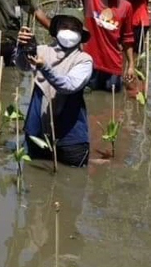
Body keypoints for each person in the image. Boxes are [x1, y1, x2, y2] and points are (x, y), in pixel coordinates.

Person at [16, 9, 94, 167]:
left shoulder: (84, 60)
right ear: (56, 28)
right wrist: (22, 48)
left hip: (70, 138)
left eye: (74, 28)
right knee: (33, 178)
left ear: (80, 33)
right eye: (64, 26)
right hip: (36, 132)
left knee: (72, 183)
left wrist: (44, 67)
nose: (68, 32)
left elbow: (68, 85)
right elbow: (22, 65)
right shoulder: (42, 50)